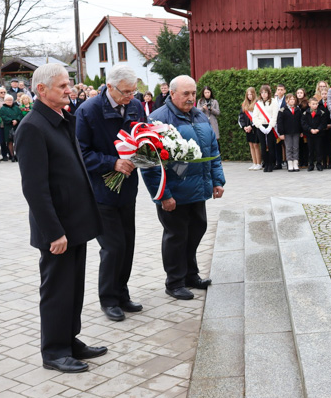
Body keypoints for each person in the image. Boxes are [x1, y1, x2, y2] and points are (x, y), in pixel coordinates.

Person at [14, 63, 105, 373]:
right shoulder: (32, 127)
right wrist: (54, 232)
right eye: (63, 86)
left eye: (69, 85)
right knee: (57, 290)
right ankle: (54, 351)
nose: (70, 90)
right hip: (58, 230)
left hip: (75, 224)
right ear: (42, 90)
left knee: (74, 287)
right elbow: (35, 189)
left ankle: (70, 339)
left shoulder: (63, 119)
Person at [141, 75, 225, 301]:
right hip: (174, 193)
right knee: (176, 235)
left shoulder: (200, 115)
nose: (191, 98)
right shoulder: (157, 119)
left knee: (197, 229)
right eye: (186, 94)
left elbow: (212, 151)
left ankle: (190, 275)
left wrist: (218, 180)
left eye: (194, 93)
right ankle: (174, 281)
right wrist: (163, 196)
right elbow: (148, 164)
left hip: (198, 189)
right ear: (172, 94)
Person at [76, 65, 146, 322]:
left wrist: (149, 153)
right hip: (101, 191)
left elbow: (143, 136)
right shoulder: (88, 110)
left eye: (133, 91)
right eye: (126, 92)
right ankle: (108, 299)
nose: (131, 97)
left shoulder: (136, 106)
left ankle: (122, 293)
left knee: (127, 244)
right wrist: (112, 162)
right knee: (113, 246)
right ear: (110, 87)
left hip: (127, 187)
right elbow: (81, 153)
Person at [252, 84, 278, 173]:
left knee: (270, 146)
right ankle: (266, 163)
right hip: (261, 127)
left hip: (270, 126)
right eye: (262, 92)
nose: (263, 94)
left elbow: (275, 115)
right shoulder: (258, 104)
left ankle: (271, 164)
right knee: (263, 146)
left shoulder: (274, 102)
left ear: (268, 93)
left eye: (265, 92)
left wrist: (270, 126)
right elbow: (254, 117)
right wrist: (260, 126)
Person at [301, 96, 327, 171]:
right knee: (310, 150)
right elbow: (304, 123)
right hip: (309, 134)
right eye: (313, 104)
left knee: (319, 149)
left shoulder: (321, 113)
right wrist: (310, 129)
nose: (315, 105)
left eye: (316, 104)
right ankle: (311, 164)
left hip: (319, 134)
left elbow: (323, 123)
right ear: (309, 104)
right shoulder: (305, 113)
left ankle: (319, 164)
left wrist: (318, 129)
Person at [277, 93, 301, 171]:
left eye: (294, 99)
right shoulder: (282, 110)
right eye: (290, 99)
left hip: (296, 131)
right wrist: (281, 133)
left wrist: (301, 131)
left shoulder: (298, 109)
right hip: (287, 132)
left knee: (296, 147)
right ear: (286, 101)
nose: (292, 101)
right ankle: (290, 163)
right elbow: (279, 122)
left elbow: (300, 121)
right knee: (288, 147)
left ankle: (295, 162)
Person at [239, 87, 262, 170]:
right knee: (251, 145)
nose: (249, 96)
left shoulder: (257, 103)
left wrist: (251, 126)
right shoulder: (244, 104)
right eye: (248, 94)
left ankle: (259, 163)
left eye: (251, 94)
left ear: (254, 94)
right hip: (247, 129)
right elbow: (241, 117)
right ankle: (254, 163)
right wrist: (244, 126)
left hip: (255, 128)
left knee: (256, 145)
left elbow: (259, 117)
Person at [0, 95, 24, 161]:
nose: (9, 101)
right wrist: (11, 120)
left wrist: (17, 120)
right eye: (8, 100)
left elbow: (20, 114)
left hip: (17, 125)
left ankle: (17, 155)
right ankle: (12, 155)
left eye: (11, 100)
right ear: (5, 101)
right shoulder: (2, 109)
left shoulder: (16, 107)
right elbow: (3, 116)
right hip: (8, 126)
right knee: (9, 141)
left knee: (17, 141)